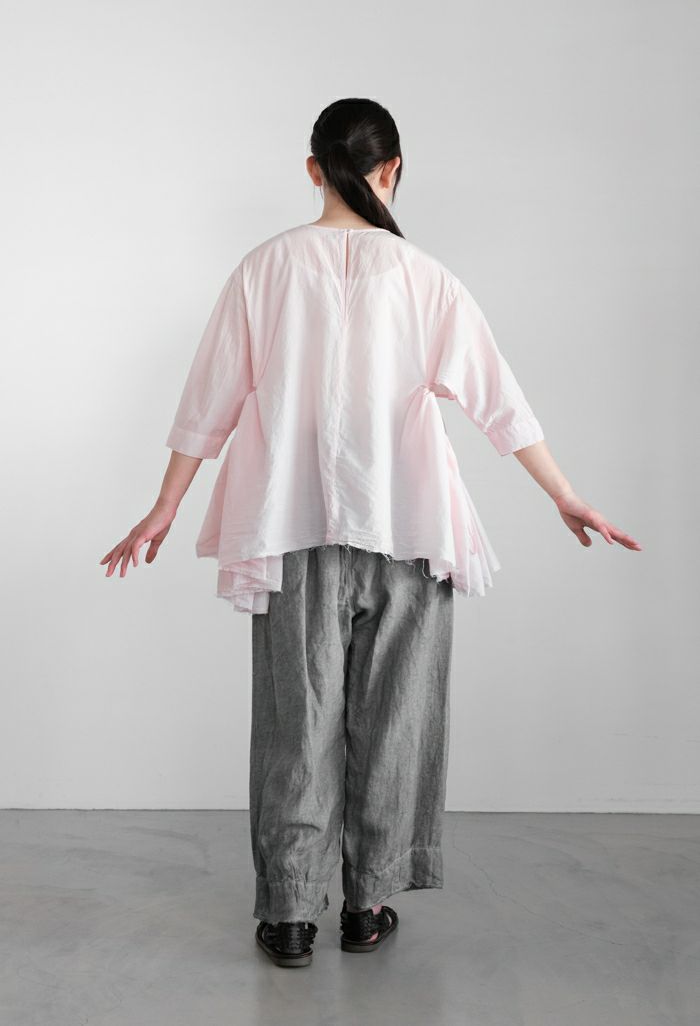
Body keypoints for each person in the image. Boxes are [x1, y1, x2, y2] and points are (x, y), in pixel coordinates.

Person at [100, 97, 642, 969]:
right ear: (392, 170)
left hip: (291, 528)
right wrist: (565, 495)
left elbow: (208, 402)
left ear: (313, 169)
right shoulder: (425, 276)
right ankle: (368, 903)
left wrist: (165, 505)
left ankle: (289, 915)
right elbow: (498, 402)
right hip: (407, 527)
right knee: (399, 721)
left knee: (296, 723)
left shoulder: (263, 269)